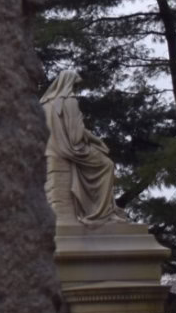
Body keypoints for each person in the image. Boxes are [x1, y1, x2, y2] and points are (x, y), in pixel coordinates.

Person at [40, 69, 129, 224]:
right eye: (75, 86)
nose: (76, 90)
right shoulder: (70, 102)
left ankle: (94, 208)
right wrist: (96, 141)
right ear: (69, 84)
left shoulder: (45, 104)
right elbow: (76, 135)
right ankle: (101, 213)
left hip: (52, 150)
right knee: (107, 165)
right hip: (71, 149)